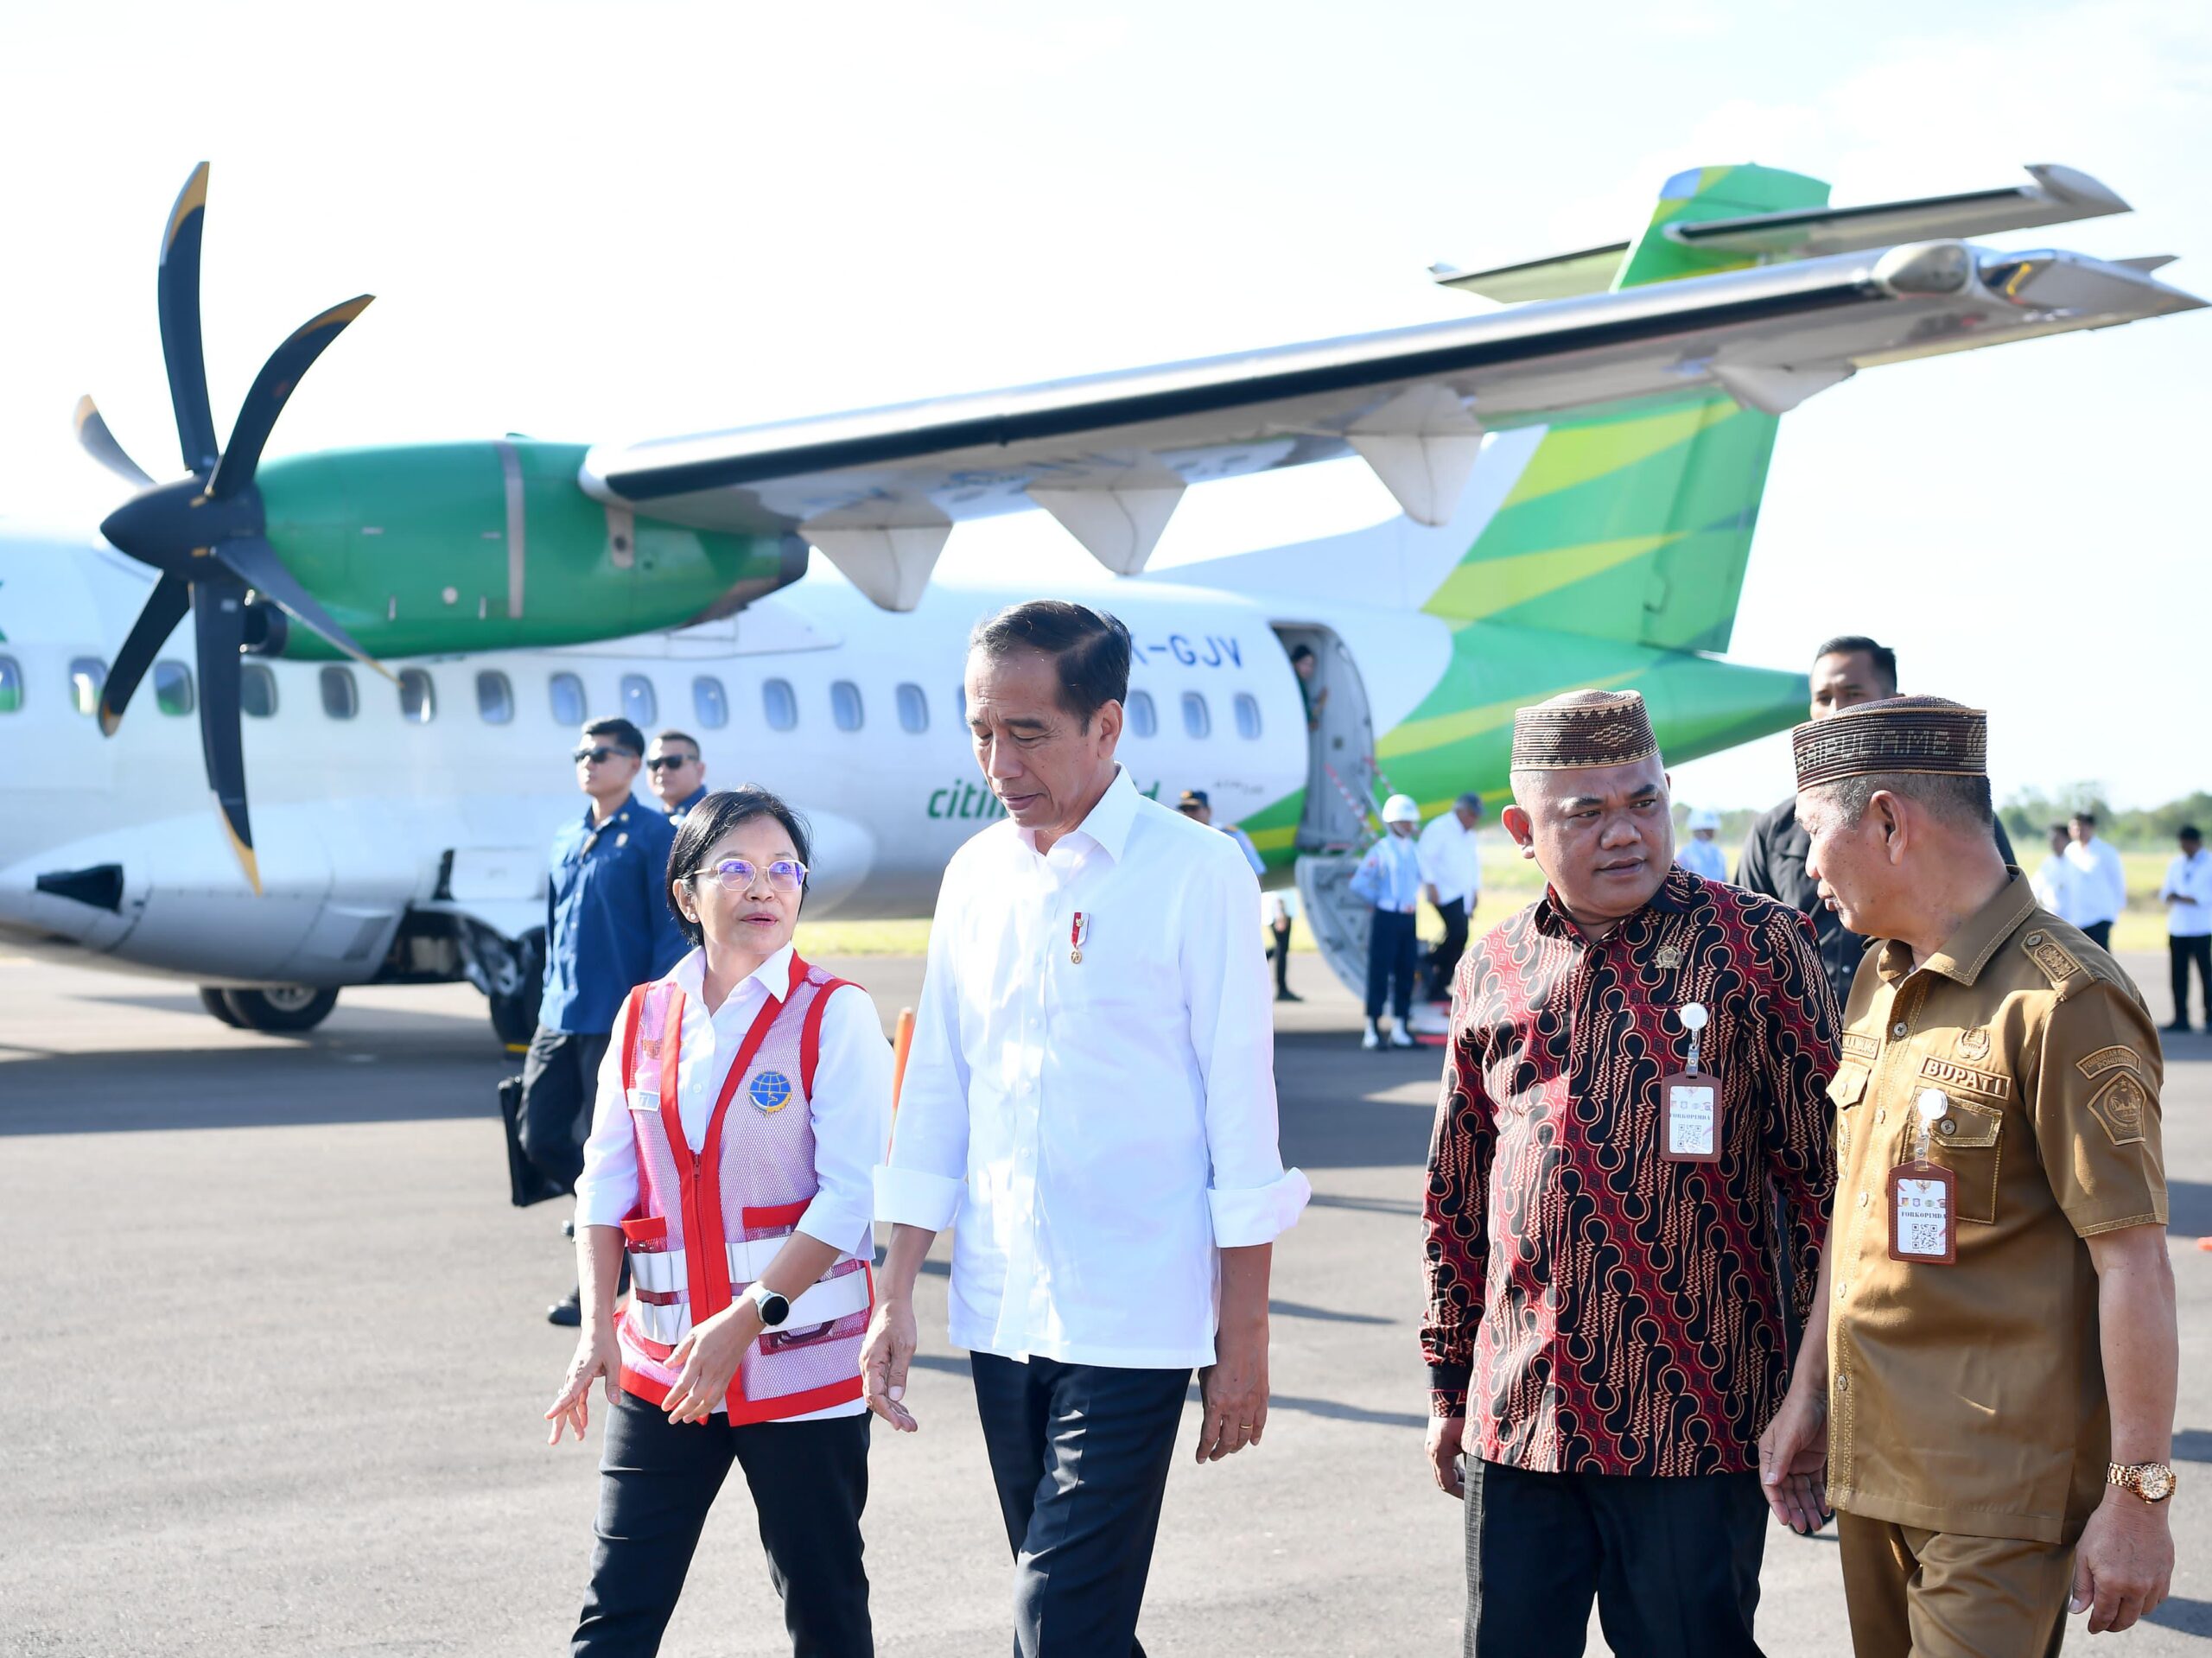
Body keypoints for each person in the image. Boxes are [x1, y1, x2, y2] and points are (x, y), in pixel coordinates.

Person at [861, 600, 1308, 1658]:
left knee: (1054, 1621)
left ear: (1105, 727)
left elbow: (1242, 1120)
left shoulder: (1196, 872)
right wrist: (894, 1294)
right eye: (979, 730)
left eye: (1026, 732)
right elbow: (936, 1093)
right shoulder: (975, 874)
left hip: (1134, 1314)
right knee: (1075, 1620)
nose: (996, 760)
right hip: (1001, 1308)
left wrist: (1240, 1338)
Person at [1424, 689, 1839, 1658]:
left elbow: (1832, 1191)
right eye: (1587, 811)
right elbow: (1455, 1189)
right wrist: (1451, 1382)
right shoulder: (1493, 963)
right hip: (1519, 1413)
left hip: (1696, 1415)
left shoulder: (1756, 944)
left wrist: (1816, 1401)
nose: (1626, 832)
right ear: (1524, 828)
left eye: (1643, 801)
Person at [1761, 697, 2177, 1652]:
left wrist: (2139, 1493)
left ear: (1887, 821)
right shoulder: (1879, 976)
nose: (1806, 865)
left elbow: (2134, 1265)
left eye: (1813, 831)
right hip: (1873, 1469)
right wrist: (1807, 1397)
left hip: (1995, 1487)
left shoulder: (2065, 997)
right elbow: (1854, 1211)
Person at [545, 786, 891, 1657]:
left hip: (799, 1370)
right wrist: (596, 1326)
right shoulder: (644, 1015)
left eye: (785, 869)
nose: (764, 886)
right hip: (664, 1369)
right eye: (735, 867)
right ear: (685, 892)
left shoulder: (834, 1012)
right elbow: (605, 1179)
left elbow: (851, 1194)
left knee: (824, 1610)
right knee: (615, 1611)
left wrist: (745, 1318)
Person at [1739, 636, 2015, 1013]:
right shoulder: (1775, 831)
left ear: (1895, 701)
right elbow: (1752, 946)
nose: (1836, 710)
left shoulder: (1951, 819)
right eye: (1823, 698)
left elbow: (1996, 924)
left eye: (1852, 693)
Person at [524, 718, 689, 1326]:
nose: (587, 762)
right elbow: (553, 925)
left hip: (615, 1018)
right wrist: (545, 994)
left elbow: (671, 932)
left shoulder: (653, 835)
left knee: (611, 1153)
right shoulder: (567, 837)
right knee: (537, 1137)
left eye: (600, 752)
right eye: (580, 753)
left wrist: (649, 1012)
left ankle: (602, 1274)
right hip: (560, 1012)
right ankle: (611, 1223)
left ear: (631, 762)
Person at [1351, 794, 1425, 1050]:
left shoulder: (1416, 850)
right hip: (1386, 917)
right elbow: (1359, 883)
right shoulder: (1380, 850)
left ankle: (1400, 1028)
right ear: (1392, 823)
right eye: (1403, 822)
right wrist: (1378, 899)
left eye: (1410, 822)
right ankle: (1372, 1028)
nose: (1408, 826)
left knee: (1406, 971)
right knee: (1379, 972)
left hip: (1408, 917)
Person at [1418, 792, 1484, 1002]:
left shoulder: (1469, 835)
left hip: (1462, 894)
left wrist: (1474, 891)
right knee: (1458, 933)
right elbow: (1425, 858)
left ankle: (1437, 979)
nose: (1474, 820)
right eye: (1472, 814)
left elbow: (1473, 866)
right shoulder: (1440, 828)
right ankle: (1429, 962)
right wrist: (1430, 886)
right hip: (1445, 892)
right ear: (1461, 810)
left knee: (1459, 937)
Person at [2160, 823, 2211, 1032]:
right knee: (2178, 975)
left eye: (2188, 844)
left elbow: (2202, 898)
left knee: (2205, 974)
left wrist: (2181, 897)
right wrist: (2180, 897)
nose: (2185, 848)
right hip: (2178, 927)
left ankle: (2210, 1017)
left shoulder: (2209, 863)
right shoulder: (2176, 863)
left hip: (2201, 927)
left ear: (2197, 842)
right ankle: (2181, 1017)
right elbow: (2166, 892)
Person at [2066, 810, 2128, 950]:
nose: (2077, 831)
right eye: (2074, 827)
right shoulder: (2070, 851)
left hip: (2100, 916)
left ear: (2091, 828)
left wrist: (2116, 910)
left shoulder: (2106, 852)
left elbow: (2117, 882)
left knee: (2100, 959)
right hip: (2076, 917)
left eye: (2081, 827)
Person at [1176, 787, 1265, 876]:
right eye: (1184, 809)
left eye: (1193, 809)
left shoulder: (1231, 835)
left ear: (1208, 811)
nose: (1188, 814)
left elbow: (1255, 873)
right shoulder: (1181, 839)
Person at [645, 729, 709, 824]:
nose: (662, 771)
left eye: (673, 762)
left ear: (699, 770)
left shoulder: (718, 819)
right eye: (655, 763)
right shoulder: (650, 824)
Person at [2031, 822, 2078, 922]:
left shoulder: (2076, 862)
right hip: (2052, 918)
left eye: (2056, 839)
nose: (2053, 843)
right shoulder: (2047, 863)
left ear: (2067, 840)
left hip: (2075, 921)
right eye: (2051, 839)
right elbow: (2035, 888)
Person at [1677, 806, 1729, 881]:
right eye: (1709, 829)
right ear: (1699, 829)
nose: (1713, 832)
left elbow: (1724, 880)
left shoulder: (1718, 853)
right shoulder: (1686, 853)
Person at [1267, 890, 1299, 1002]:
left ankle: (1282, 988)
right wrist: (1280, 912)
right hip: (1280, 911)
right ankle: (1282, 989)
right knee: (1281, 950)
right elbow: (1279, 890)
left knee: (1280, 949)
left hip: (1281, 910)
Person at [1289, 641, 1329, 732]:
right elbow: (1304, 716)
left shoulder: (1300, 683)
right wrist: (1321, 703)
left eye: (1311, 665)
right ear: (1295, 663)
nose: (1308, 669)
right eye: (1305, 664)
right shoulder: (1297, 685)